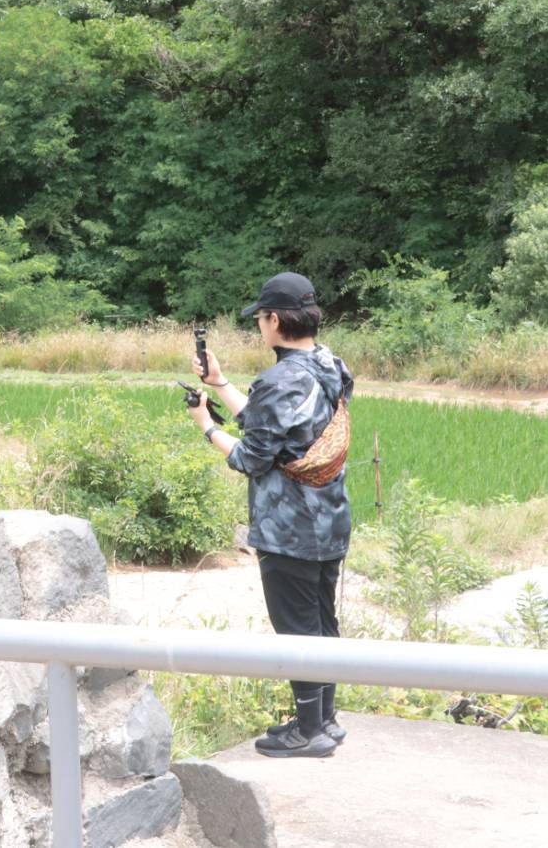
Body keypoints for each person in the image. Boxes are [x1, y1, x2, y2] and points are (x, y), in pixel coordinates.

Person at [187, 271, 354, 759]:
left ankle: (309, 731)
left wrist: (205, 427)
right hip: (330, 519)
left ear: (275, 319)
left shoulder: (280, 380)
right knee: (322, 620)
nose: (259, 325)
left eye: (260, 318)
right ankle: (325, 718)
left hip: (290, 528)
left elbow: (252, 457)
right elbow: (279, 429)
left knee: (297, 628)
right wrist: (219, 385)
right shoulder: (329, 365)